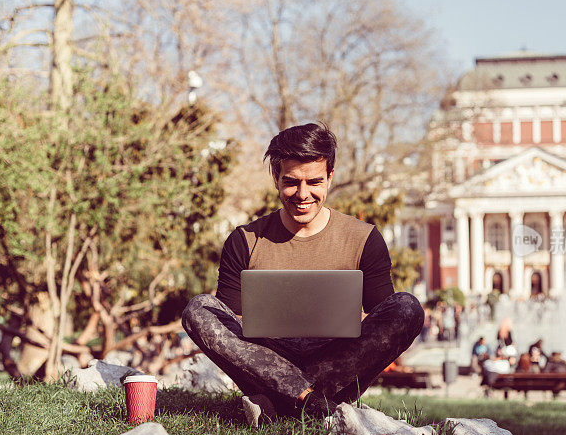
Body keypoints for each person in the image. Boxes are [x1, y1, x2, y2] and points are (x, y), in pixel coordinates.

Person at [181, 123, 424, 419]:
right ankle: (314, 403)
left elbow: (381, 319)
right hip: (267, 358)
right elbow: (230, 323)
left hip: (337, 359)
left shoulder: (364, 239)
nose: (302, 194)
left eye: (315, 182)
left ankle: (284, 401)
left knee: (407, 307)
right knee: (200, 309)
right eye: (292, 182)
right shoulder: (244, 240)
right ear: (276, 177)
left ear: (330, 178)